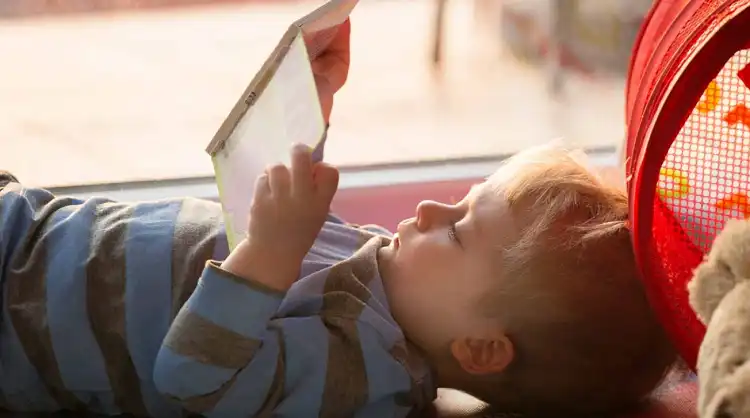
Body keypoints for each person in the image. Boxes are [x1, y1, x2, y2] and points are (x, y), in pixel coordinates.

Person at [0, 18, 675, 417]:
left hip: (20, 313)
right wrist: (305, 107)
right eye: (461, 202)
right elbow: (260, 211)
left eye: (460, 230)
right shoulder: (392, 278)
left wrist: (269, 253)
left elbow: (194, 378)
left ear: (481, 349)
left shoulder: (361, 369)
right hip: (34, 228)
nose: (430, 207)